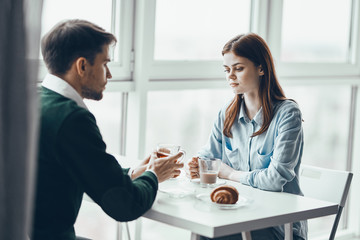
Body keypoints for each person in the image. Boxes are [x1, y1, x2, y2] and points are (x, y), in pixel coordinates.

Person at [31, 19, 183, 240]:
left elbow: (85, 171)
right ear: (82, 66)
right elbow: (124, 205)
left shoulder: (30, 99)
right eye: (104, 64)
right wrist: (154, 175)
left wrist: (133, 174)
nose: (109, 75)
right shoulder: (72, 119)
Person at [186, 33, 307, 240]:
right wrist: (197, 166)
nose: (230, 76)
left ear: (261, 68)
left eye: (239, 68)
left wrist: (230, 174)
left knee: (209, 236)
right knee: (203, 231)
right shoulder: (226, 113)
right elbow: (209, 160)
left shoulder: (288, 114)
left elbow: (274, 179)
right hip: (239, 216)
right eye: (227, 70)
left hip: (279, 226)